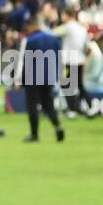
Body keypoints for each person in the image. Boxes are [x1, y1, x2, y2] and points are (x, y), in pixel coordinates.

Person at [16, 14, 65, 143]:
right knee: (48, 104)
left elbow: (25, 60)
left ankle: (34, 134)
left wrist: (19, 79)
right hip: (49, 77)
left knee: (32, 106)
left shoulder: (30, 40)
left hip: (33, 78)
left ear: (32, 26)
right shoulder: (54, 39)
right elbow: (59, 58)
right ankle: (57, 126)